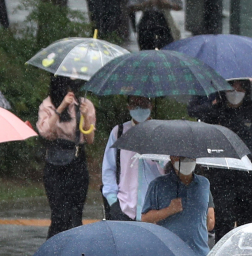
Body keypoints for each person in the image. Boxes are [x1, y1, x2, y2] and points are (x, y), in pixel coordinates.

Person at [188, 80, 252, 256]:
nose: (235, 92)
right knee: (224, 218)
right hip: (221, 174)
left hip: (249, 173)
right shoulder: (214, 111)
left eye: (240, 88)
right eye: (231, 87)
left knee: (247, 219)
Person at [38, 75, 96, 237]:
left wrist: (84, 117)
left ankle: (76, 254)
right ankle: (54, 253)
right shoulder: (47, 105)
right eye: (67, 86)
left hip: (77, 162)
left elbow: (90, 139)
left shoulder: (85, 104)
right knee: (58, 215)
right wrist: (61, 108)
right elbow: (44, 132)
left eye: (73, 86)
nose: (71, 91)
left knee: (75, 215)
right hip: (55, 163)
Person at [102, 96, 165, 223]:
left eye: (143, 104)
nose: (139, 108)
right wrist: (113, 202)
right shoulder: (119, 133)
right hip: (125, 208)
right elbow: (109, 169)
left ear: (151, 105)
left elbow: (169, 169)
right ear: (128, 107)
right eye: (135, 104)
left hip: (156, 209)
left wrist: (157, 153)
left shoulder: (162, 133)